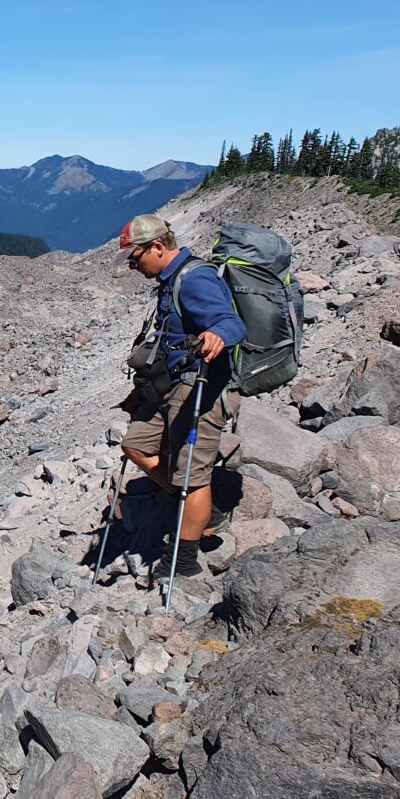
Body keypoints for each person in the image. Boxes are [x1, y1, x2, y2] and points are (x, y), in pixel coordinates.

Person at [116, 214, 247, 580]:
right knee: (135, 445)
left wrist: (217, 334)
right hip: (171, 385)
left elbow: (233, 323)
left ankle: (183, 560)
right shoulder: (169, 279)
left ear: (157, 247)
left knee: (194, 475)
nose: (132, 265)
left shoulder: (195, 278)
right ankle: (189, 503)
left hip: (201, 387)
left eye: (135, 257)